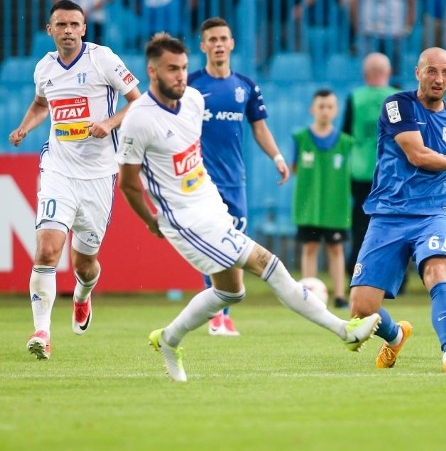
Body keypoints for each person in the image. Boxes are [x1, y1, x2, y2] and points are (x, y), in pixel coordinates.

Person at [116, 33, 381, 382]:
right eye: (171, 69)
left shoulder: (194, 100)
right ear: (151, 71)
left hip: (210, 204)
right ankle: (345, 331)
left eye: (182, 67)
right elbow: (128, 182)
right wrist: (152, 220)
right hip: (184, 219)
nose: (180, 75)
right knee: (267, 263)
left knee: (231, 291)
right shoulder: (139, 119)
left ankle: (168, 338)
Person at [8, 0, 142, 360]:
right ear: (50, 30)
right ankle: (41, 332)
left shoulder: (104, 59)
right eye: (61, 25)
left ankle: (83, 295)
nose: (68, 31)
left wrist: (109, 123)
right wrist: (24, 126)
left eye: (74, 25)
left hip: (99, 175)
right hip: (58, 170)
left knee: (85, 264)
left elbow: (138, 102)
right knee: (48, 249)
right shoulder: (45, 68)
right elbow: (42, 104)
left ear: (84, 28)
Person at [348, 46, 446, 375]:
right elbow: (418, 155)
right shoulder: (398, 104)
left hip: (432, 216)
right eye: (432, 71)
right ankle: (395, 336)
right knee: (362, 310)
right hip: (387, 215)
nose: (439, 79)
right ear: (417, 72)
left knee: (438, 273)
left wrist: (437, 200)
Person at [188, 17, 290, 336]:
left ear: (232, 44)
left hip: (235, 183)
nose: (218, 44)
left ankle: (220, 314)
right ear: (203, 46)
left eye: (223, 39)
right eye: (212, 39)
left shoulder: (245, 86)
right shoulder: (190, 86)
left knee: (231, 248)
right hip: (201, 182)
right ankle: (218, 317)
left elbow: (259, 127)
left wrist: (276, 157)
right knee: (211, 247)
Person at [291, 89, 353, 309]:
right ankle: (307, 296)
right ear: (312, 109)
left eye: (329, 107)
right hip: (309, 207)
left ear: (335, 111)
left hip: (334, 207)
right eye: (321, 106)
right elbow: (295, 168)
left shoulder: (346, 142)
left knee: (336, 249)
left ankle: (339, 296)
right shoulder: (300, 138)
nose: (325, 111)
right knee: (310, 247)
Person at [341, 53, 397, 282]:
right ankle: (396, 280)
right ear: (388, 73)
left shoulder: (355, 98)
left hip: (362, 171)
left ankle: (357, 274)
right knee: (393, 225)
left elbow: (345, 135)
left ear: (365, 75)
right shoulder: (397, 98)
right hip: (392, 172)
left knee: (361, 225)